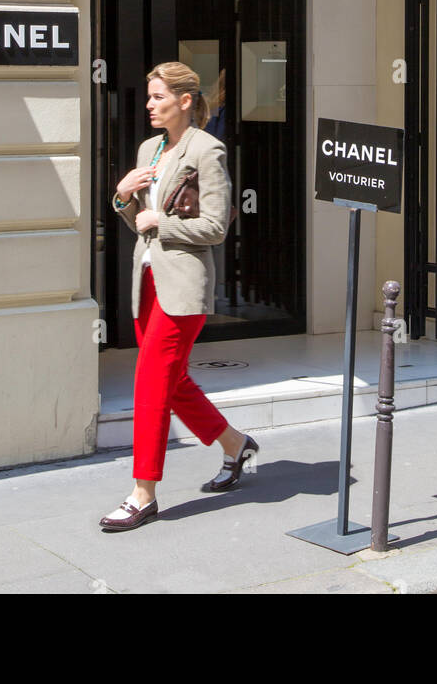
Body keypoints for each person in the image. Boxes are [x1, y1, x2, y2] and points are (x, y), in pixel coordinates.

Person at [99, 61, 258, 532]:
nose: (149, 105)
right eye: (149, 97)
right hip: (147, 280)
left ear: (184, 101)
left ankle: (142, 493)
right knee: (172, 380)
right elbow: (138, 223)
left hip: (184, 285)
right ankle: (234, 444)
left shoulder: (206, 150)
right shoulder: (151, 149)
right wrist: (122, 198)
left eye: (158, 97)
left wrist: (159, 223)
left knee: (150, 383)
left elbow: (214, 226)